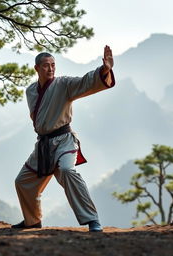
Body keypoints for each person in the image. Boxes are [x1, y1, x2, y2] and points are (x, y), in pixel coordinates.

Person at [12, 46, 115, 232]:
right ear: (37, 68)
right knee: (22, 181)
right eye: (45, 66)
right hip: (43, 145)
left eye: (53, 65)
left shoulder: (64, 84)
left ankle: (92, 220)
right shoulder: (30, 91)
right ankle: (32, 220)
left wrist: (104, 70)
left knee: (67, 170)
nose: (50, 69)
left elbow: (86, 82)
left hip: (64, 141)